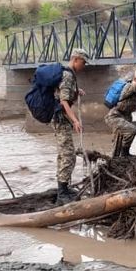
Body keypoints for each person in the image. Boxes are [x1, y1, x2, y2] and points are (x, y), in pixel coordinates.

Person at [52, 48, 88, 204]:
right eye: (83, 62)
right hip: (61, 118)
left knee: (63, 154)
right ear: (76, 59)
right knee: (69, 156)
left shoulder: (68, 74)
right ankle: (62, 194)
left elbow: (62, 92)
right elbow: (63, 101)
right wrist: (75, 120)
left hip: (59, 118)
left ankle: (63, 188)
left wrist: (76, 91)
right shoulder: (67, 75)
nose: (84, 65)